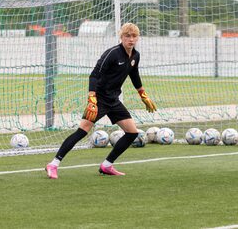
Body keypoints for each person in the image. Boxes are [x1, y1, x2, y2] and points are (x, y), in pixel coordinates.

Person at [45, 23, 157, 179]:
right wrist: (92, 99)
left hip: (114, 100)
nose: (131, 39)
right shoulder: (112, 54)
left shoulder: (135, 56)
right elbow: (94, 75)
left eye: (134, 36)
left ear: (138, 37)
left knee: (132, 133)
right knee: (82, 131)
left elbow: (134, 75)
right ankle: (53, 164)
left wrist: (143, 95)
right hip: (99, 99)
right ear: (121, 37)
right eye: (127, 36)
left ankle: (106, 165)